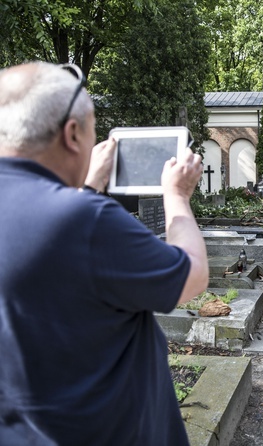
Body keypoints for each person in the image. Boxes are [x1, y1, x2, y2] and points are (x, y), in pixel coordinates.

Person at [0, 61, 209, 445]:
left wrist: (90, 184)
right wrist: (176, 196)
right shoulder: (85, 221)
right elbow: (191, 275)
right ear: (73, 133)